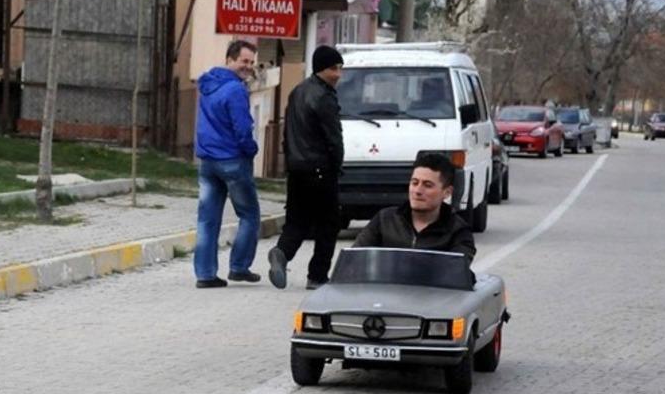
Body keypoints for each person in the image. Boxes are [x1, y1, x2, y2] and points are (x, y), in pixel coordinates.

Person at [267, 45, 345, 290]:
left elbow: (287, 132)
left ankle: (281, 253)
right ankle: (317, 275)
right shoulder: (324, 98)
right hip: (321, 169)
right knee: (328, 224)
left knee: (297, 221)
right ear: (322, 69)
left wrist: (290, 160)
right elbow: (333, 138)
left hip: (297, 169)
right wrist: (336, 165)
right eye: (334, 69)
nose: (338, 74)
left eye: (340, 68)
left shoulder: (297, 92)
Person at [193, 40, 262, 289]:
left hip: (207, 162)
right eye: (244, 61)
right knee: (249, 214)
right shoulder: (235, 89)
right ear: (230, 59)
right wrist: (251, 149)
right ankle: (239, 267)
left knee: (207, 220)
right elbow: (242, 128)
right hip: (232, 160)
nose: (248, 66)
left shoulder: (207, 84)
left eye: (251, 62)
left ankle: (205, 274)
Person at [353, 153, 476, 264]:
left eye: (428, 185)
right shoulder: (384, 220)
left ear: (447, 192)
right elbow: (354, 260)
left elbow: (459, 274)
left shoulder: (458, 232)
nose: (417, 191)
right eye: (414, 183)